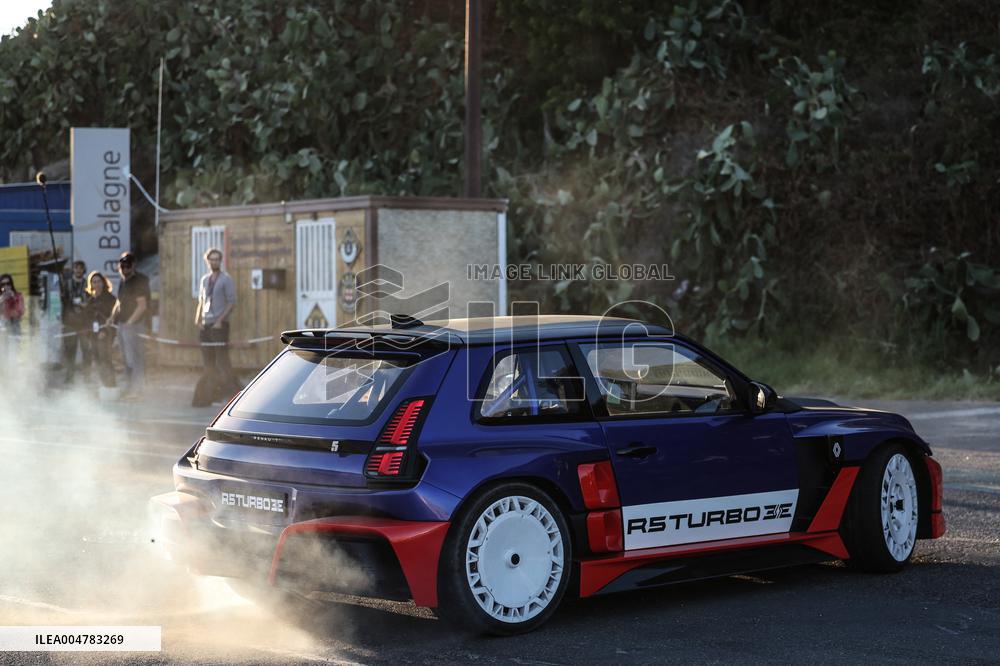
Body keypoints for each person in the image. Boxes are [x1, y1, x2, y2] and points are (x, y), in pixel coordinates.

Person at [193, 247, 240, 406]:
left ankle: (231, 395)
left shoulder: (226, 279)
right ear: (207, 261)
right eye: (211, 259)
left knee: (222, 361)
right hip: (206, 325)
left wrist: (221, 319)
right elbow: (201, 301)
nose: (214, 262)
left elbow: (232, 303)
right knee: (209, 364)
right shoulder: (205, 280)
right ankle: (212, 395)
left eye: (217, 259)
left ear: (220, 261)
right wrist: (198, 319)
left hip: (220, 326)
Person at [111, 252, 150, 399]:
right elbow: (119, 302)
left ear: (133, 266)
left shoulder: (138, 281)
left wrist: (130, 322)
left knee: (135, 358)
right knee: (126, 358)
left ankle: (137, 389)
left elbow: (142, 306)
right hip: (122, 323)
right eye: (122, 266)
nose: (124, 269)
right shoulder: (123, 281)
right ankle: (129, 387)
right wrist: (112, 317)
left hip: (133, 325)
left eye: (127, 266)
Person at [83, 271, 117, 389]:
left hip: (105, 333)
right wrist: (87, 332)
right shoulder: (91, 300)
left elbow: (114, 317)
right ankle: (104, 384)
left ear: (103, 283)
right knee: (97, 359)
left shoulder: (110, 298)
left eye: (98, 281)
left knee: (105, 359)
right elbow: (87, 318)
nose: (96, 284)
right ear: (90, 284)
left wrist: (105, 332)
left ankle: (111, 385)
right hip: (93, 333)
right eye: (94, 282)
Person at [62, 260, 92, 381]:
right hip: (70, 321)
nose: (78, 270)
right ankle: (70, 376)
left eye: (81, 268)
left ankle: (87, 376)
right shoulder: (67, 284)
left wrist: (86, 305)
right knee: (70, 349)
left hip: (84, 322)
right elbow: (63, 302)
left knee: (86, 349)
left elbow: (91, 301)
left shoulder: (88, 285)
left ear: (83, 270)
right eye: (76, 268)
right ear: (73, 270)